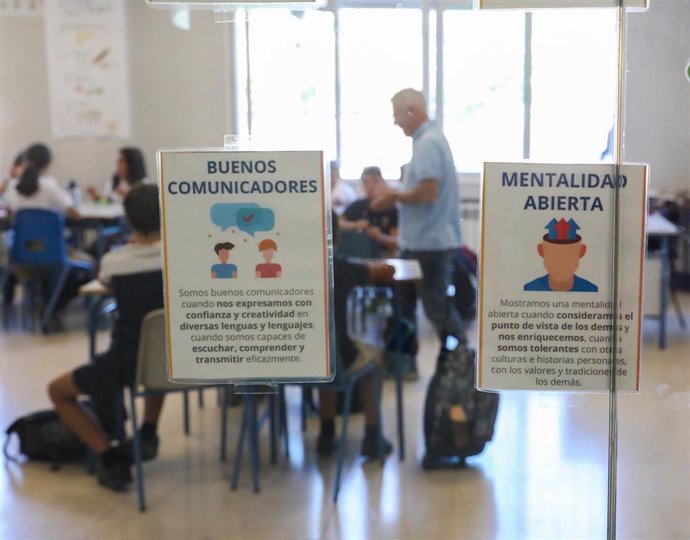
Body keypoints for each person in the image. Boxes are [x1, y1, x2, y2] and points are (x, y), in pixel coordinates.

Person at [48, 184, 165, 492]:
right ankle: (148, 430)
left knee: (57, 391)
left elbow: (103, 284)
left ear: (127, 220)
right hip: (179, 363)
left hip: (125, 362)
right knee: (159, 352)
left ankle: (109, 456)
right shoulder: (182, 258)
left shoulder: (116, 261)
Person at [371, 88, 465, 359]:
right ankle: (405, 364)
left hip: (429, 244)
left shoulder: (427, 144)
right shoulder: (429, 141)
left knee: (437, 308)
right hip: (423, 241)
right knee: (406, 305)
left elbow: (428, 192)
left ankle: (460, 364)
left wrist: (394, 196)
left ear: (411, 110)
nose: (395, 121)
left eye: (397, 114)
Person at [317, 213, 394, 459]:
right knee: (372, 358)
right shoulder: (343, 268)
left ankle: (326, 434)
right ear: (337, 238)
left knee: (323, 356)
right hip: (341, 359)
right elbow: (386, 271)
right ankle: (372, 436)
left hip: (297, 362)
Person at [3, 143, 91, 329]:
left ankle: (47, 304)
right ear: (48, 164)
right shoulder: (49, 187)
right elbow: (75, 213)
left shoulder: (12, 187)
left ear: (25, 161)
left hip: (22, 256)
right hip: (53, 255)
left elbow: (9, 215)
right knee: (89, 265)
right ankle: (53, 307)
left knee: (52, 265)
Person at [523, 218, 597, 292]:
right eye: (554, 255)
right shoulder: (529, 289)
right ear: (541, 251)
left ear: (581, 251)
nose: (561, 263)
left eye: (569, 256)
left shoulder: (591, 290)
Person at [339, 166, 398, 256]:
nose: (370, 186)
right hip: (359, 255)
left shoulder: (392, 209)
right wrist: (355, 225)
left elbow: (397, 243)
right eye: (366, 182)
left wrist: (379, 236)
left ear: (383, 182)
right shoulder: (358, 205)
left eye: (375, 181)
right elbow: (338, 223)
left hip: (384, 256)